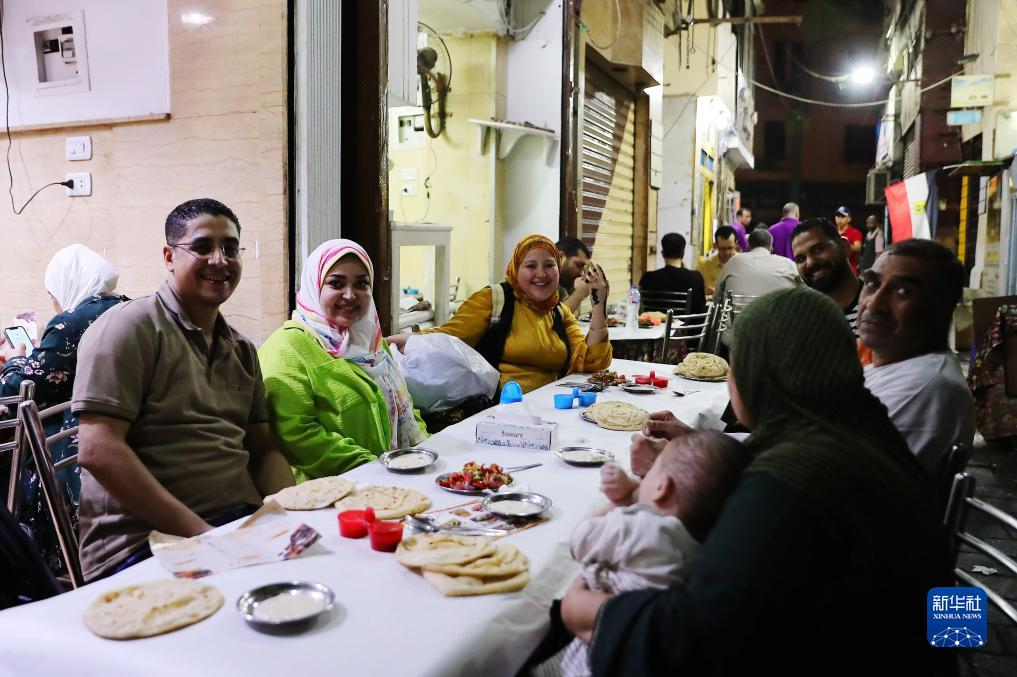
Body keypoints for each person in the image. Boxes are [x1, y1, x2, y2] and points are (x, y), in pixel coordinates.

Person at [561, 287, 954, 676]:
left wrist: (579, 608)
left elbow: (688, 638)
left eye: (738, 365)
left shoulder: (792, 483)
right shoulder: (863, 430)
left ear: (760, 376)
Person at [71, 198, 294, 581]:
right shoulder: (129, 329)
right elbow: (97, 449)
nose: (220, 260)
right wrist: (205, 537)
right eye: (203, 247)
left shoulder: (241, 348)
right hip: (143, 544)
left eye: (230, 248)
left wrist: (290, 513)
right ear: (169, 256)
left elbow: (264, 449)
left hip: (233, 524)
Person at [561, 434, 749, 677]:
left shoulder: (640, 525)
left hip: (593, 662)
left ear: (661, 488)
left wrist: (621, 502)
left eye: (647, 475)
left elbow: (579, 540)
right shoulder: (701, 549)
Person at [0, 245, 126, 573]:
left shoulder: (73, 321)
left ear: (67, 283)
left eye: (52, 294)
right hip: (122, 446)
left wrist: (14, 360)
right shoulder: (125, 307)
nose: (55, 303)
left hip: (72, 465)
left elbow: (16, 391)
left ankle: (23, 564)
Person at [259, 240, 427, 481]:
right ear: (315, 286)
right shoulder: (286, 348)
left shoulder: (371, 341)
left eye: (361, 284)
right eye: (336, 283)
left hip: (395, 477)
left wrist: (423, 449)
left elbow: (403, 401)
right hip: (330, 492)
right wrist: (374, 468)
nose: (350, 295)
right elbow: (295, 434)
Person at [388, 235, 612, 393]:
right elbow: (450, 336)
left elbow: (591, 362)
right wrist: (408, 339)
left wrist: (598, 305)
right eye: (530, 266)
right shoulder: (494, 300)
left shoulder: (560, 314)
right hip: (495, 414)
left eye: (549, 265)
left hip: (548, 412)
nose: (541, 274)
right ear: (516, 268)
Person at [859, 239, 975, 478]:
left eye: (903, 291)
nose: (875, 303)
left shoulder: (923, 386)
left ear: (941, 308)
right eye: (872, 284)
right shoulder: (895, 368)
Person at [791, 217, 863, 336]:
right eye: (801, 259)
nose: (810, 263)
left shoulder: (879, 306)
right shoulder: (801, 319)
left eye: (818, 250)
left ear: (843, 247)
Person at [712, 229, 801, 304]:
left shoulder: (733, 262)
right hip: (780, 319)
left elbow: (717, 297)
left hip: (737, 319)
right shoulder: (789, 265)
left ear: (748, 247)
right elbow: (805, 292)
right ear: (771, 249)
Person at [637, 233, 706, 314]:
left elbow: (641, 309)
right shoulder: (695, 278)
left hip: (656, 322)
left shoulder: (647, 278)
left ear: (662, 253)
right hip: (686, 322)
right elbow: (700, 310)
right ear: (683, 253)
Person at [695, 226, 738, 297]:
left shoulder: (744, 264)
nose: (727, 252)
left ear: (736, 244)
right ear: (716, 246)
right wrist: (703, 291)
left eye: (730, 248)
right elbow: (695, 290)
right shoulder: (704, 267)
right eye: (723, 249)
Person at [556, 237, 592, 315]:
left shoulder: (562, 283)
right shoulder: (542, 281)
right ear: (560, 257)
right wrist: (580, 293)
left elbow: (575, 313)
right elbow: (553, 319)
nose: (582, 273)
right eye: (579, 265)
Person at [834, 206, 863, 273]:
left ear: (849, 219)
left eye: (842, 216)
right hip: (833, 270)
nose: (839, 218)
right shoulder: (831, 232)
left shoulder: (855, 232)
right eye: (837, 216)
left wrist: (844, 244)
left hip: (849, 271)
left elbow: (858, 248)